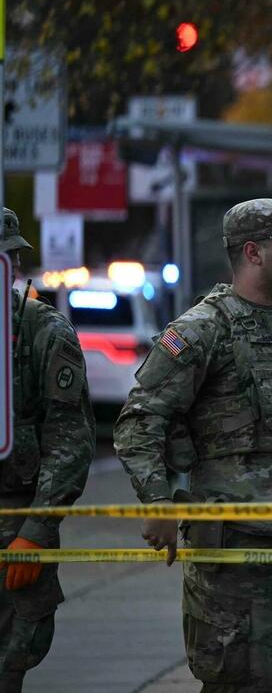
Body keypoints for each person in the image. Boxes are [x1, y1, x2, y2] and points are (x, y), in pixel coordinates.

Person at [115, 198, 272, 690]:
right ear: (253, 253)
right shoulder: (203, 328)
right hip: (240, 550)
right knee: (238, 680)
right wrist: (157, 500)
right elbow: (140, 420)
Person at [0, 208, 94, 692]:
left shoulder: (42, 331)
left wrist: (36, 530)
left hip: (14, 521)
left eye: (10, 259)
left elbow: (70, 438)